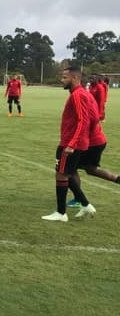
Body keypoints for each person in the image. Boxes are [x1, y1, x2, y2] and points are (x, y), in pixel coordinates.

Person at [42, 67, 92, 222]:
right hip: (73, 142)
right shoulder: (78, 94)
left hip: (70, 144)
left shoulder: (78, 95)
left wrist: (71, 144)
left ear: (75, 78)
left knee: (62, 174)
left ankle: (61, 213)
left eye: (65, 77)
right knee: (66, 173)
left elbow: (83, 121)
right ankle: (85, 204)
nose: (62, 80)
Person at [67, 79, 120, 210]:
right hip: (98, 140)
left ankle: (79, 199)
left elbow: (85, 121)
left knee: (69, 168)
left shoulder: (80, 96)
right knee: (91, 169)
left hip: (91, 142)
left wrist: (74, 141)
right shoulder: (87, 95)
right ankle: (118, 179)